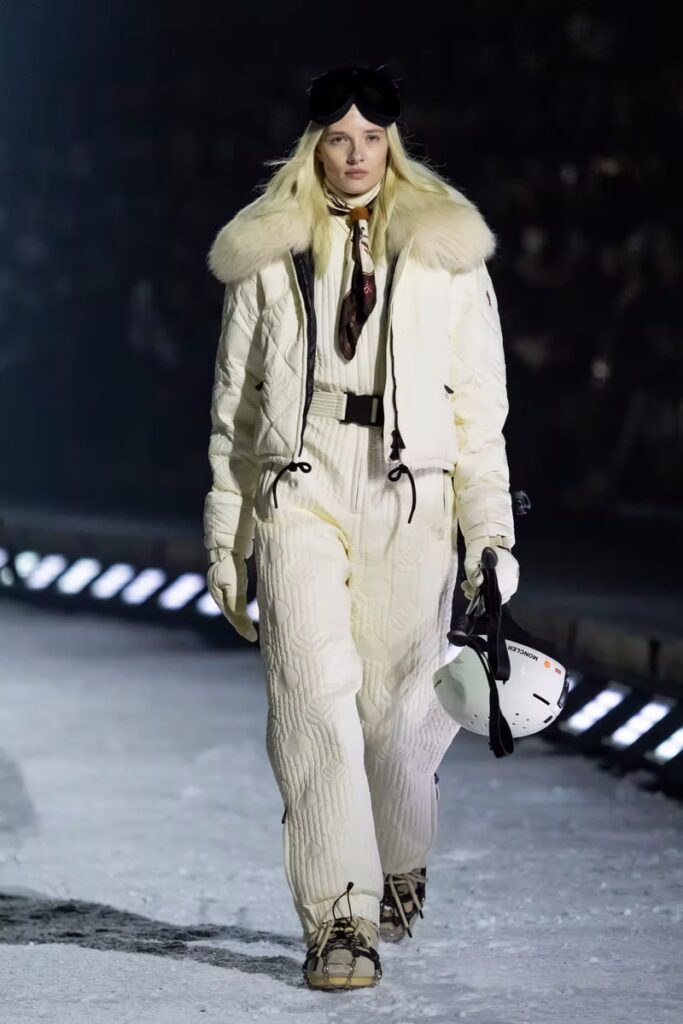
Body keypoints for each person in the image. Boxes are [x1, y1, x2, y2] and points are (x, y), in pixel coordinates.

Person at [203, 65, 520, 991]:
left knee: (395, 716)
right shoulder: (267, 249)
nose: (355, 156)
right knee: (313, 701)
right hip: (301, 482)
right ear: (314, 145)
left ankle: (398, 851)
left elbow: (478, 411)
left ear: (392, 144)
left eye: (371, 139)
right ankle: (339, 919)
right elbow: (235, 407)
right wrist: (227, 534)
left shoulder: (444, 248)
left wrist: (489, 536)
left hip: (410, 488)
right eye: (339, 139)